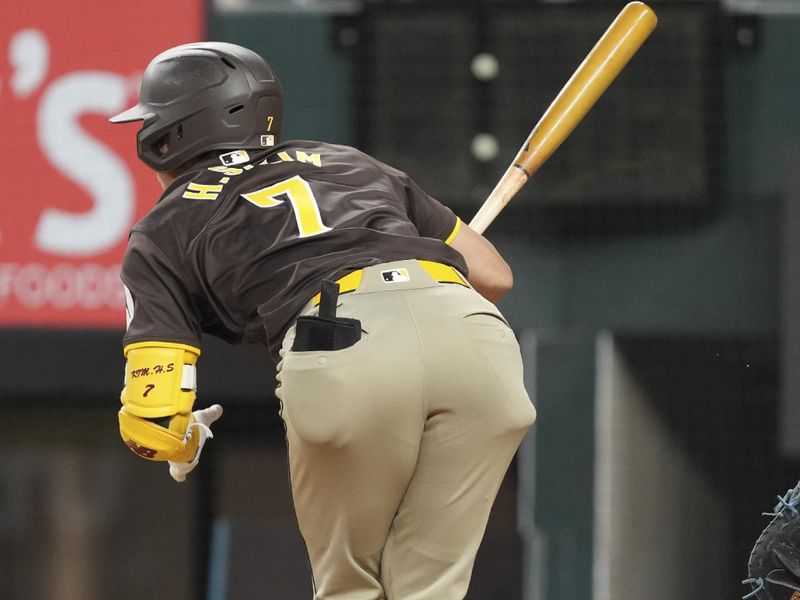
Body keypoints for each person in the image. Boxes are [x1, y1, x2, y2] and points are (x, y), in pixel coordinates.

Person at [110, 41, 535, 600]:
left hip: (342, 340)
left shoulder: (161, 228)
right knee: (428, 589)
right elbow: (494, 275)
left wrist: (183, 440)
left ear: (168, 137)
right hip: (474, 335)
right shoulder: (349, 162)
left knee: (349, 588)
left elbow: (153, 422)